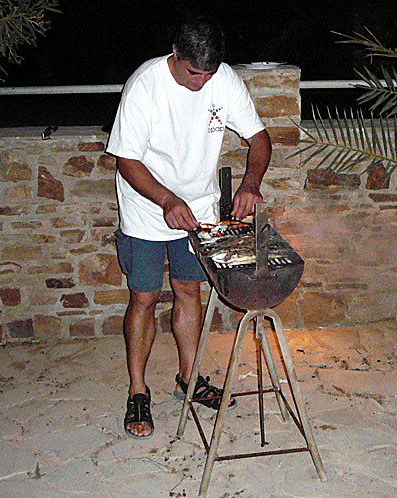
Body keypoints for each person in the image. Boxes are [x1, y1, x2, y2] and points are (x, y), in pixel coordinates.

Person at [106, 16, 272, 439]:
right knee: (144, 297)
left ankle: (189, 378)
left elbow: (259, 138)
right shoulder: (144, 85)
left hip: (196, 209)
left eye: (209, 73)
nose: (201, 82)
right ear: (175, 55)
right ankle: (138, 391)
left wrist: (251, 184)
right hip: (147, 209)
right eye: (193, 73)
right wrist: (166, 200)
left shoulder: (224, 80)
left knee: (188, 291)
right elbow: (127, 160)